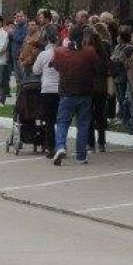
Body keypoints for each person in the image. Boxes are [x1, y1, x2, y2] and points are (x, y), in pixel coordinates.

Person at [51, 25, 98, 165]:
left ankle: (60, 147)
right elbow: (95, 67)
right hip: (85, 93)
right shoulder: (89, 52)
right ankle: (81, 155)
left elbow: (55, 66)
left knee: (62, 123)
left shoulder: (60, 52)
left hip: (67, 93)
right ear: (83, 37)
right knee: (83, 124)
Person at [32, 25, 61, 158]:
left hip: (47, 89)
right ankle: (61, 146)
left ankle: (51, 148)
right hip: (60, 89)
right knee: (61, 120)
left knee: (49, 120)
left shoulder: (43, 54)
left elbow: (35, 70)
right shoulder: (62, 52)